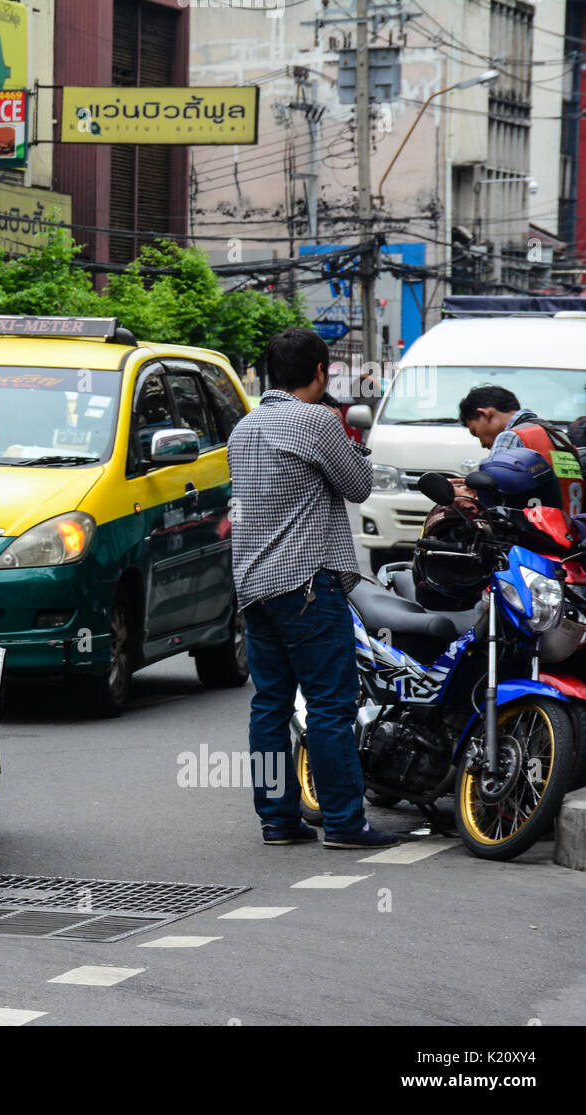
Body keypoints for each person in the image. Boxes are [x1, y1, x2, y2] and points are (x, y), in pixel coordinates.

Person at [227, 327, 399, 850]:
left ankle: (278, 820)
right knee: (329, 704)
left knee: (271, 705)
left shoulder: (244, 428)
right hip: (306, 583)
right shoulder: (318, 421)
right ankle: (346, 822)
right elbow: (359, 485)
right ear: (321, 373)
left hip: (255, 587)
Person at [458, 385, 582, 512]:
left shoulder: (511, 436)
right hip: (568, 526)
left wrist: (462, 496)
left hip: (537, 527)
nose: (482, 444)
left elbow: (497, 504)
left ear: (484, 414)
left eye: (475, 432)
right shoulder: (557, 435)